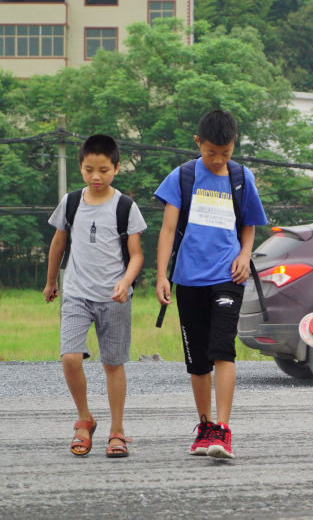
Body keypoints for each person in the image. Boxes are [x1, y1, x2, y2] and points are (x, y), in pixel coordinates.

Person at [154, 110, 267, 459]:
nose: (218, 160)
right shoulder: (182, 176)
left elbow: (249, 224)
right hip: (188, 279)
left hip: (228, 277)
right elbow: (168, 230)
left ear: (234, 145)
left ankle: (223, 428)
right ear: (197, 143)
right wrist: (162, 275)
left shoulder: (241, 177)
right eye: (211, 153)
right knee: (198, 360)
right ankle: (204, 427)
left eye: (225, 153)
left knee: (222, 349)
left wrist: (245, 255)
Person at [43, 134, 147, 458]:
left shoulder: (125, 207)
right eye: (89, 170)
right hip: (76, 292)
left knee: (113, 364)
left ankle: (117, 431)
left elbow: (137, 254)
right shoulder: (71, 202)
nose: (96, 177)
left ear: (116, 168)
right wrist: (50, 282)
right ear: (81, 168)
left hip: (114, 297)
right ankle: (85, 419)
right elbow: (58, 244)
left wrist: (125, 281)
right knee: (70, 357)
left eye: (103, 169)